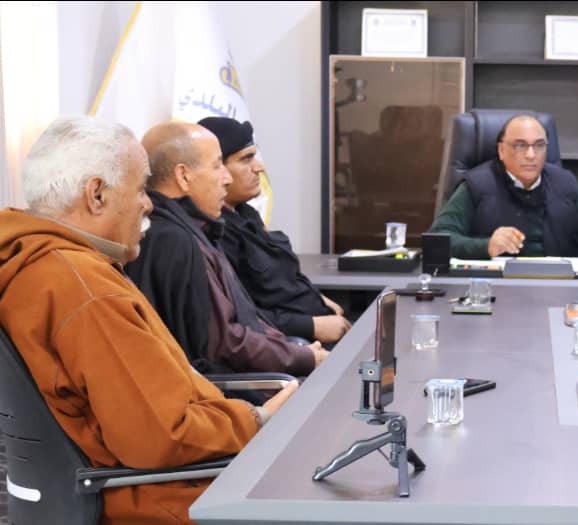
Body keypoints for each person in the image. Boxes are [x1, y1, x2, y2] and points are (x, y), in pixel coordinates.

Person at [0, 116, 298, 524]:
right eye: (140, 188)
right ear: (97, 195)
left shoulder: (34, 263)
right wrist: (258, 420)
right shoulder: (87, 292)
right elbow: (163, 435)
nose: (149, 205)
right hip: (167, 498)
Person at [126, 122, 326, 375]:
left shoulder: (195, 229)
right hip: (241, 387)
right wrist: (302, 357)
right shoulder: (174, 240)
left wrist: (292, 349)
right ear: (183, 176)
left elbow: (245, 319)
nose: (227, 178)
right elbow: (225, 345)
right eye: (217, 165)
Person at [197, 117, 351, 345]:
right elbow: (242, 315)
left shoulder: (246, 213)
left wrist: (317, 298)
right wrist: (311, 325)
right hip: (295, 343)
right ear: (218, 169)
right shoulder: (215, 233)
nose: (259, 167)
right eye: (246, 159)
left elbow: (281, 279)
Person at [429, 114, 578, 259]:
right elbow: (437, 240)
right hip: (496, 285)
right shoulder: (477, 185)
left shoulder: (565, 183)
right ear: (501, 150)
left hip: (558, 284)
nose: (531, 155)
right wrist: (485, 246)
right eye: (520, 145)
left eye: (539, 145)